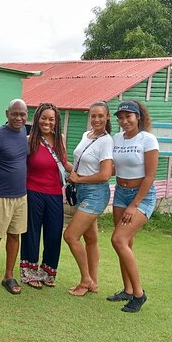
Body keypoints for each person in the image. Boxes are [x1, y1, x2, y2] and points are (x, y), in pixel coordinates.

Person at [109, 100, 159, 313]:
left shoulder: (148, 139)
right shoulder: (116, 138)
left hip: (142, 196)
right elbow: (111, 167)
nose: (124, 121)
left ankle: (139, 294)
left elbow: (150, 175)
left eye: (128, 116)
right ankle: (128, 289)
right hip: (121, 192)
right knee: (126, 241)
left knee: (118, 239)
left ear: (138, 117)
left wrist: (134, 204)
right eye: (120, 117)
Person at [63, 101, 114, 296]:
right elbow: (77, 165)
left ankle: (85, 280)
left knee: (70, 236)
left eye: (101, 116)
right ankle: (93, 282)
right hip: (81, 191)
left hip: (95, 193)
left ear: (107, 117)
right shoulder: (86, 136)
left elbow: (105, 174)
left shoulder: (107, 141)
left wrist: (80, 179)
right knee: (90, 238)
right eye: (93, 116)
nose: (97, 119)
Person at [0, 99, 29, 295]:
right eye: (14, 114)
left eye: (22, 114)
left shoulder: (25, 134)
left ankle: (8, 276)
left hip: (21, 196)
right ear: (7, 113)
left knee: (14, 236)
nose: (18, 118)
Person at [19, 103, 68, 289]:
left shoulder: (60, 139)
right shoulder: (29, 140)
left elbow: (63, 164)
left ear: (56, 122)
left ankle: (48, 272)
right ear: (37, 118)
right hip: (33, 191)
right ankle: (29, 271)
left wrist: (82, 176)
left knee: (54, 234)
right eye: (44, 118)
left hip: (55, 193)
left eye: (51, 119)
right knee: (32, 232)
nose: (47, 122)